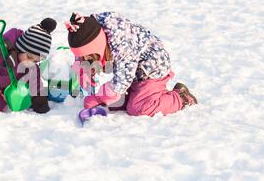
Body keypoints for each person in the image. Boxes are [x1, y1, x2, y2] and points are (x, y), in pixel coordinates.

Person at [66, 11, 197, 117]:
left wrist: (98, 98)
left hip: (152, 69)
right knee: (118, 102)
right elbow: (82, 50)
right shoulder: (92, 31)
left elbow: (120, 83)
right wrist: (82, 70)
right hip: (135, 73)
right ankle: (133, 95)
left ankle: (181, 97)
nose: (87, 59)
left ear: (98, 46)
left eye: (90, 57)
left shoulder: (122, 45)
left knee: (139, 108)